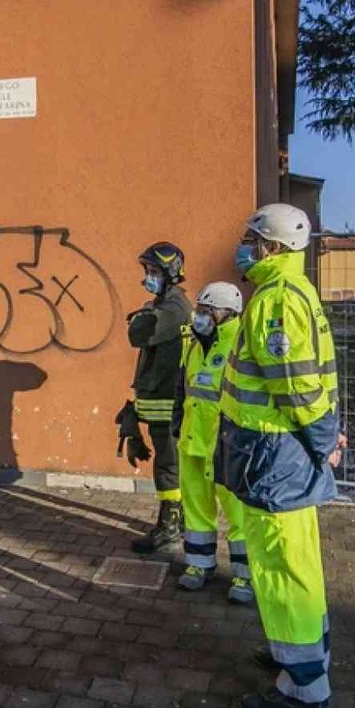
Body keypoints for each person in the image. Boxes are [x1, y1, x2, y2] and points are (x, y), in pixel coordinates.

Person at [218, 202, 344, 708]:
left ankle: (305, 690)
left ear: (270, 245)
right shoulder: (292, 291)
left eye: (249, 237)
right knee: (297, 561)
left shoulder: (276, 299)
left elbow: (294, 381)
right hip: (283, 450)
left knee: (281, 565)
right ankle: (301, 655)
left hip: (277, 453)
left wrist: (323, 440)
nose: (242, 245)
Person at [171, 281, 252, 604]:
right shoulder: (194, 344)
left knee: (238, 512)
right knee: (196, 508)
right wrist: (178, 425)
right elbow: (184, 387)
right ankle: (198, 565)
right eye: (199, 311)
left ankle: (245, 576)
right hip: (193, 440)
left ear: (225, 313)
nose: (199, 317)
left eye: (206, 311)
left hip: (225, 444)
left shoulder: (239, 347)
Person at [125, 242, 193, 553]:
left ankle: (170, 526)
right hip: (160, 397)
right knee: (170, 464)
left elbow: (138, 333)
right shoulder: (164, 303)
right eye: (147, 271)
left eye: (153, 272)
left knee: (169, 467)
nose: (148, 277)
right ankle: (178, 522)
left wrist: (142, 315)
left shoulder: (174, 307)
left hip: (167, 400)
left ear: (169, 273)